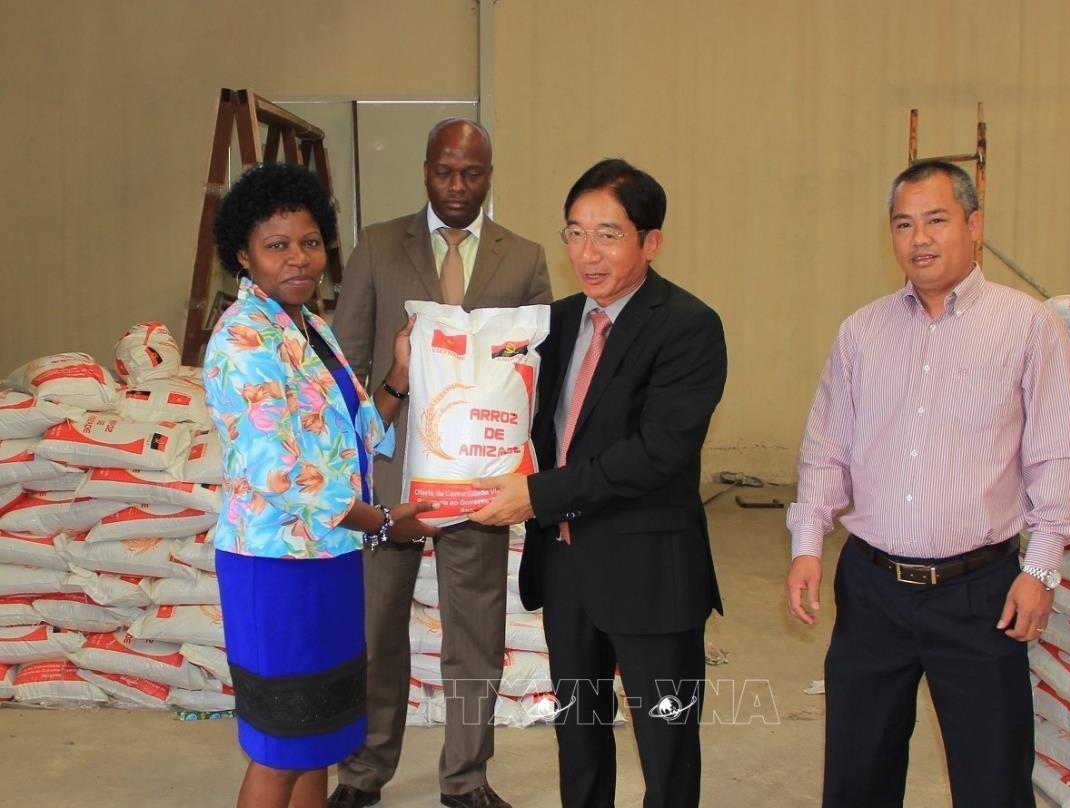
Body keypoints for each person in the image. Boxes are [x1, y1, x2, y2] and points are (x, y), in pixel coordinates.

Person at [784, 159, 1070, 808]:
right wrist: (807, 543)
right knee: (857, 781)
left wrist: (1041, 570)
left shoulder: (1027, 326)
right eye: (903, 224)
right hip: (872, 591)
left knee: (992, 784)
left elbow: (1056, 457)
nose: (919, 238)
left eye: (936, 220)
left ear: (974, 226)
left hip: (979, 596)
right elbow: (826, 449)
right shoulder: (861, 333)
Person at [472, 158, 727, 808]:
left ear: (651, 241)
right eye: (576, 233)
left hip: (651, 578)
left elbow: (656, 454)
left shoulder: (688, 326)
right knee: (580, 744)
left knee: (667, 749)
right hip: (567, 571)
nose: (587, 253)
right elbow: (507, 413)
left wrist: (537, 495)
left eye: (608, 235)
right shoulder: (552, 325)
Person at [328, 118, 552, 808]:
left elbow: (533, 374)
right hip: (392, 479)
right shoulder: (377, 246)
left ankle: (466, 778)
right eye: (445, 171)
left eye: (472, 173)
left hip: (478, 481)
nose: (457, 186)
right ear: (426, 170)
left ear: (490, 175)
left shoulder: (525, 259)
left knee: (475, 634)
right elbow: (346, 368)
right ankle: (363, 772)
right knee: (375, 630)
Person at [203, 162, 438, 808]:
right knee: (280, 748)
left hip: (329, 556)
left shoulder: (311, 327)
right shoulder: (243, 338)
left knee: (318, 741)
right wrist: (383, 522)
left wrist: (398, 372)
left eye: (309, 242)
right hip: (275, 567)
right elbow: (277, 471)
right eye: (277, 245)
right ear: (244, 255)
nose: (298, 258)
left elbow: (357, 434)